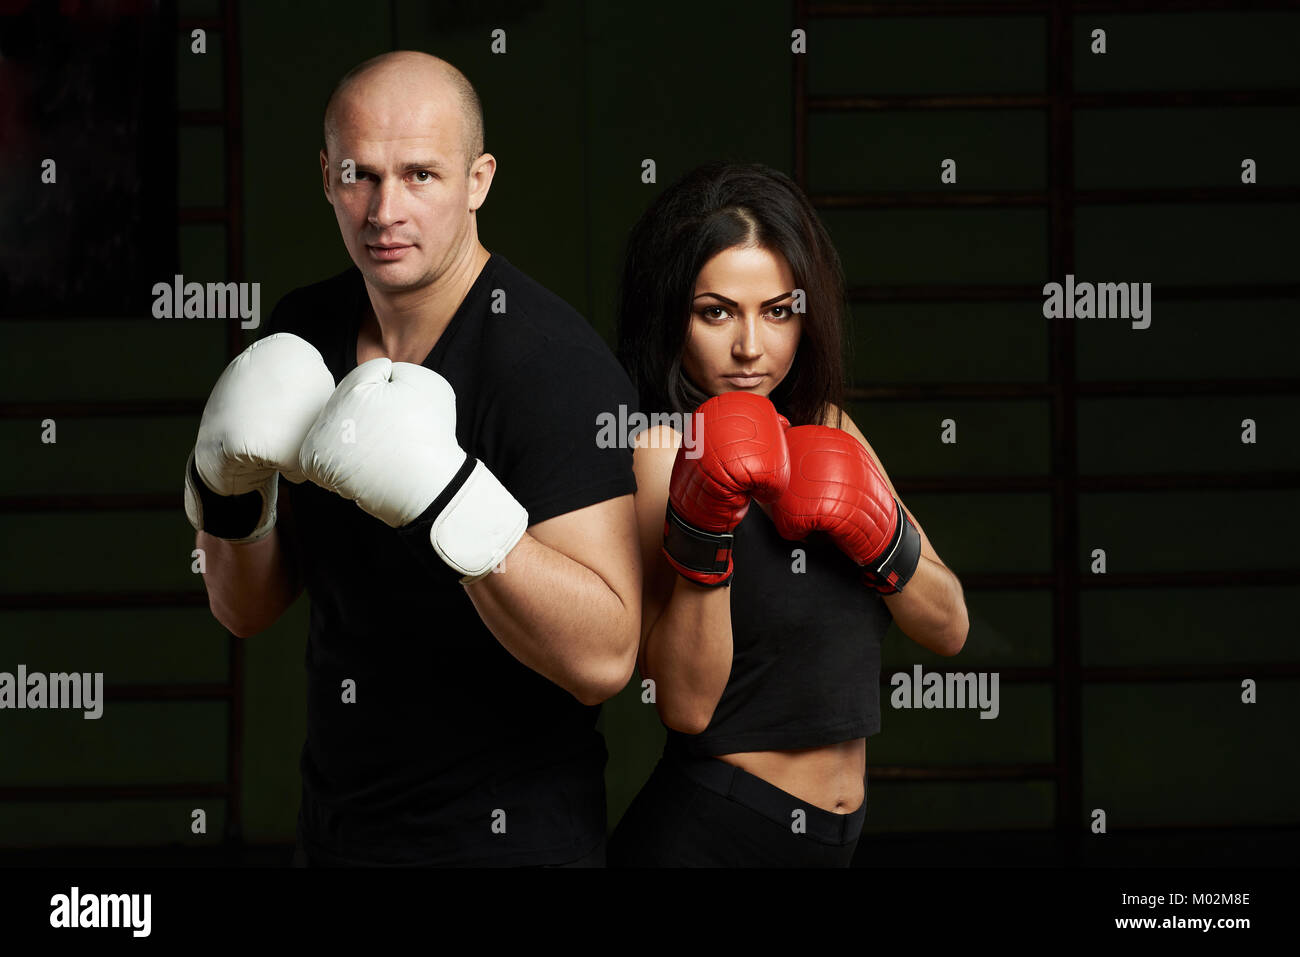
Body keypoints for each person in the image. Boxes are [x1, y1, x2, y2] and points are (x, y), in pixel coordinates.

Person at [182, 51, 641, 866]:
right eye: (361, 174)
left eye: (422, 175)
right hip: (338, 830)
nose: (385, 209)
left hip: (508, 840)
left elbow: (606, 656)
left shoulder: (550, 366)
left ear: (479, 180)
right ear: (326, 177)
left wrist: (447, 498)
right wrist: (227, 496)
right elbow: (246, 611)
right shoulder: (304, 331)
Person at [608, 162, 969, 867]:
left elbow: (949, 625)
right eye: (716, 311)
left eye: (778, 311)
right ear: (671, 315)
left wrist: (882, 536)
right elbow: (682, 706)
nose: (751, 346)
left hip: (832, 840)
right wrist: (705, 524)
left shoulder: (831, 427)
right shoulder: (659, 451)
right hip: (713, 829)